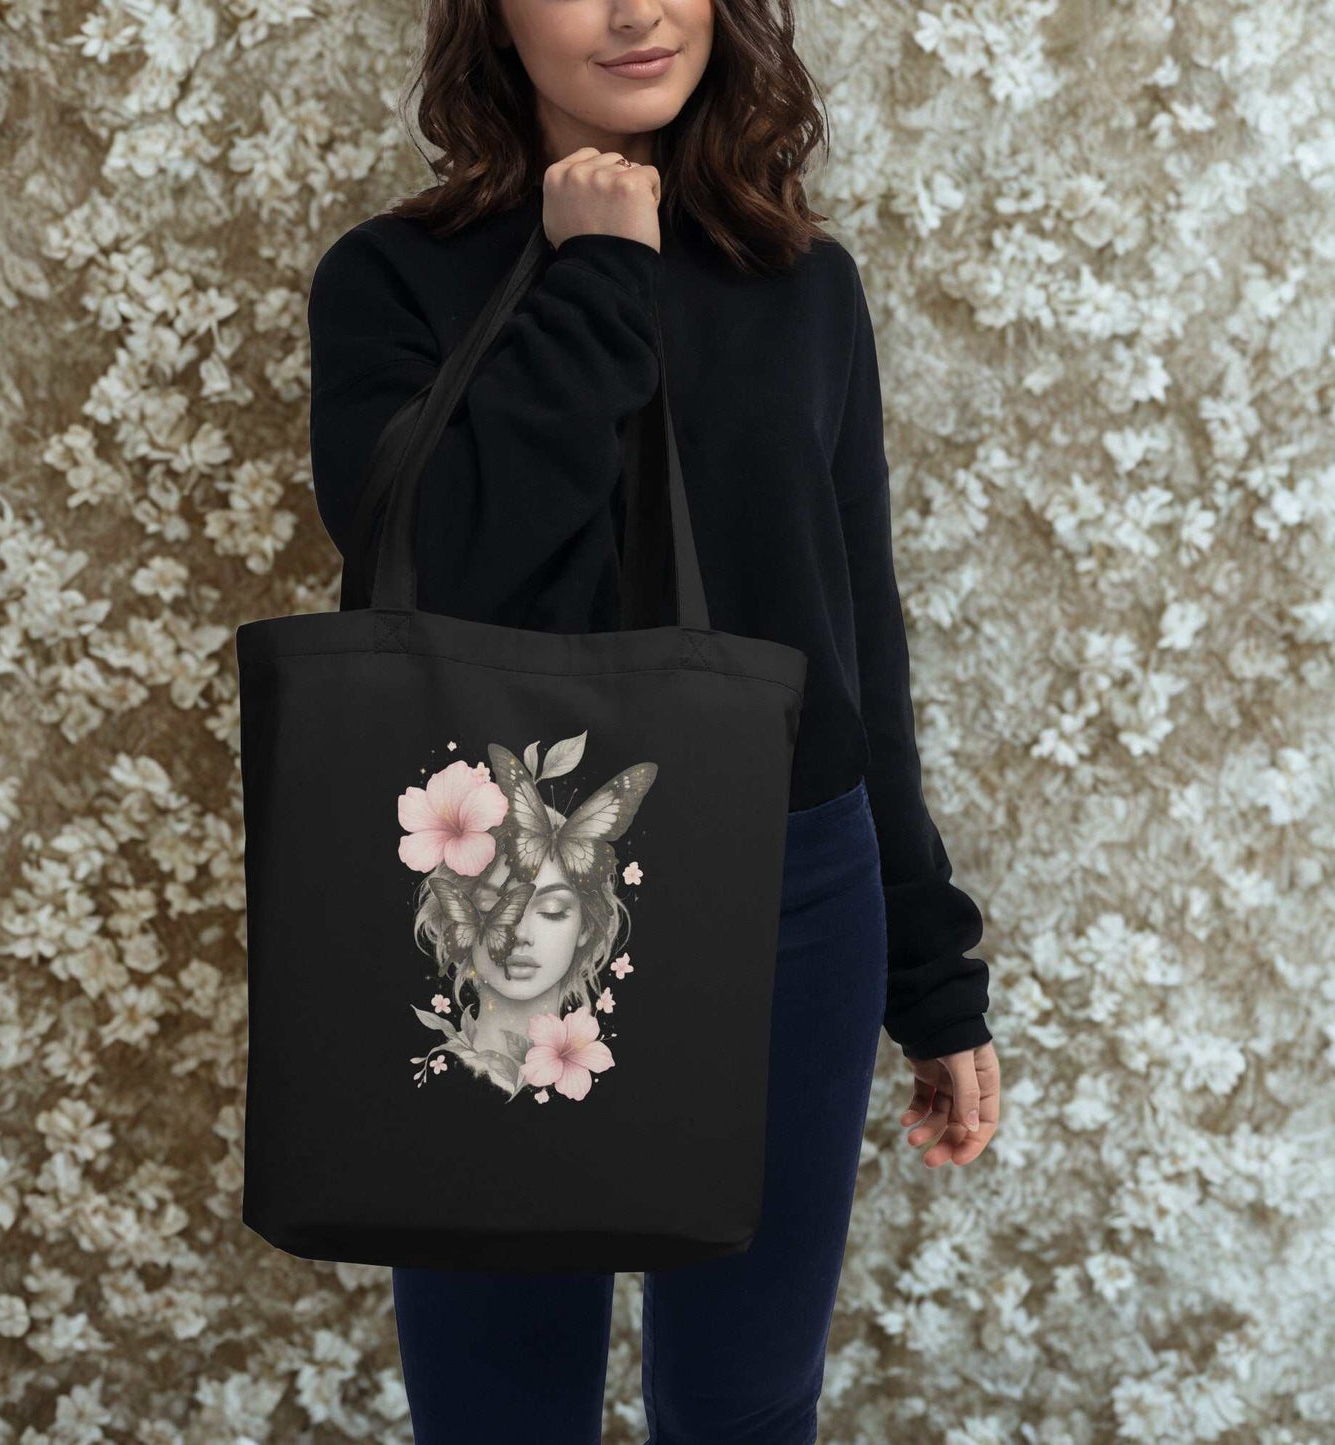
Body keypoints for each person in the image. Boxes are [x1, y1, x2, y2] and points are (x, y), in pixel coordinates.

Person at [306, 0, 1002, 1437]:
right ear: (491, 17)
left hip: (790, 892)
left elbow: (854, 633)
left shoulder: (801, 285)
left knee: (744, 1401)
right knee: (496, 1398)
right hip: (504, 898)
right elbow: (446, 558)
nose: (634, 11)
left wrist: (930, 976)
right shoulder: (391, 278)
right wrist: (599, 270)